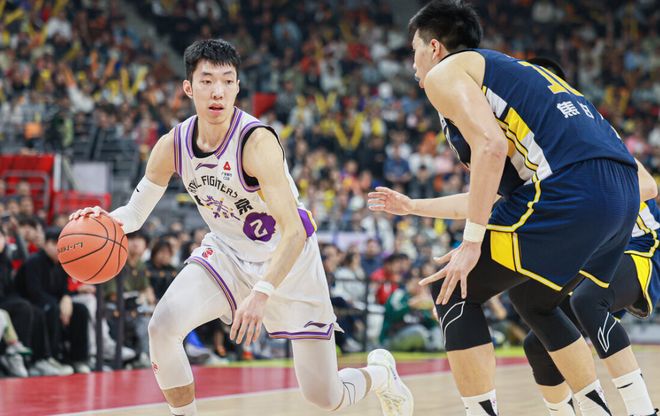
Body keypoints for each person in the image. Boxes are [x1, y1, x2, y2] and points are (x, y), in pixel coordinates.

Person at [71, 39, 413, 416]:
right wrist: (103, 220)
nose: (217, 91)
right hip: (228, 254)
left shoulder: (256, 142)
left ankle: (380, 375)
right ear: (188, 88)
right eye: (206, 81)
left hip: (289, 262)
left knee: (324, 396)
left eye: (226, 80)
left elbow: (295, 232)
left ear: (237, 86)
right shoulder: (172, 145)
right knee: (162, 327)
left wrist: (262, 292)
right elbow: (135, 213)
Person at [394, 1, 642, 414]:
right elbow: (492, 191)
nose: (413, 62)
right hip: (621, 194)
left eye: (414, 49)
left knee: (454, 288)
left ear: (434, 47)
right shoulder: (518, 74)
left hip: (569, 188)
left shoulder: (446, 73)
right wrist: (415, 206)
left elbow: (489, 147)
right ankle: (600, 409)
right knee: (534, 300)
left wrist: (471, 243)